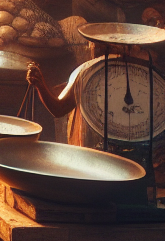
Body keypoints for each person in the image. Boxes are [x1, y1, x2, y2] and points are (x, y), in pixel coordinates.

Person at [27, 44, 165, 178]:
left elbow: (58, 109)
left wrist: (40, 85)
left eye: (94, 44)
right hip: (140, 163)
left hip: (93, 160)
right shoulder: (151, 72)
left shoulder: (86, 70)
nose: (91, 47)